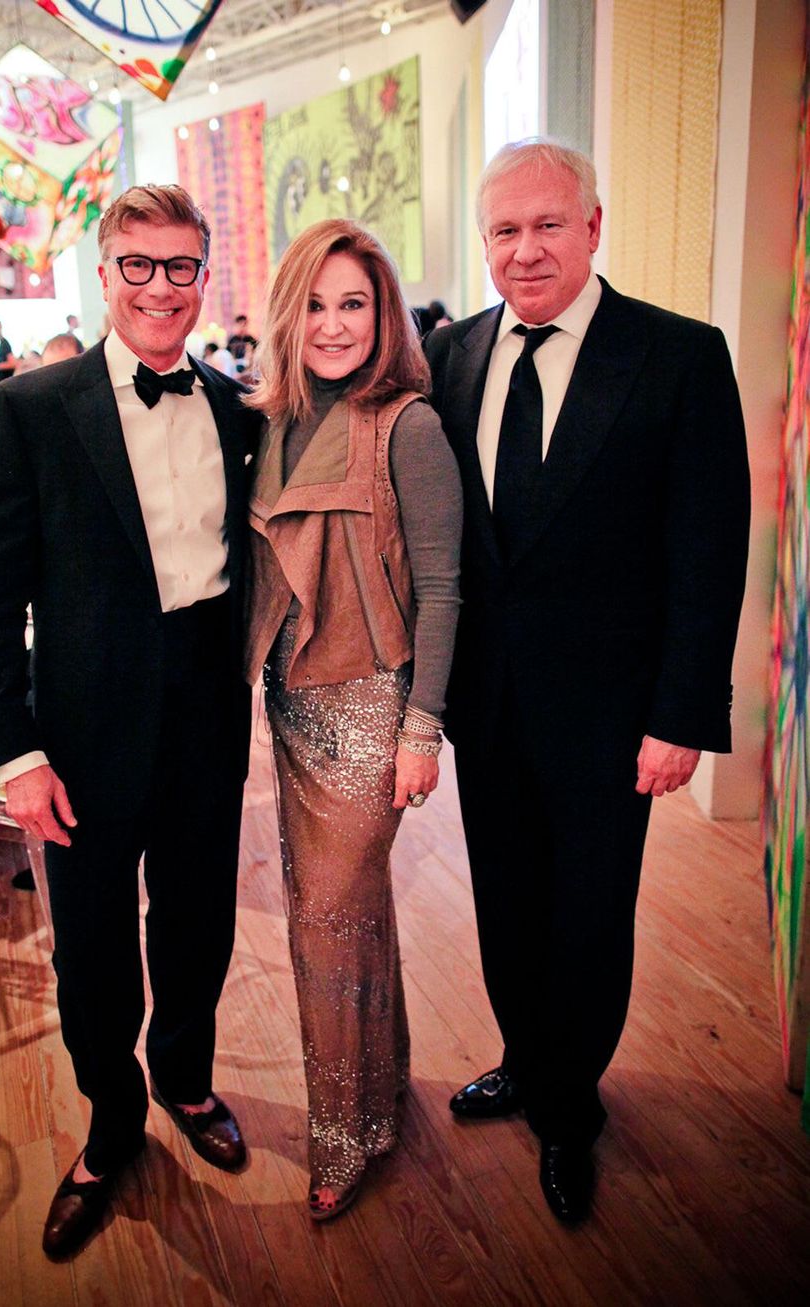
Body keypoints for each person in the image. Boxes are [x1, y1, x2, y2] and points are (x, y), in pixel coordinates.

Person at [425, 139, 750, 1224]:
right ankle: (523, 1055)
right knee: (506, 901)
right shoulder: (451, 353)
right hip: (487, 703)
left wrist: (679, 714)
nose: (524, 250)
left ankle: (570, 1105)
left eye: (546, 225)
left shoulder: (676, 357)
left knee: (588, 914)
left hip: (612, 718)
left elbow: (708, 553)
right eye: (503, 231)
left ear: (592, 224)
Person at [0, 183, 260, 1260]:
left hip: (205, 712)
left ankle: (182, 1076)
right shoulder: (34, 408)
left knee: (196, 919)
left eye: (180, 265)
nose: (160, 287)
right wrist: (14, 753)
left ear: (201, 274)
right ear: (104, 273)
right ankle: (111, 1119)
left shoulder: (236, 411)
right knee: (90, 946)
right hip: (78, 727)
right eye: (138, 264)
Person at [244, 219, 462, 1220]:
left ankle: (341, 1136)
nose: (334, 324)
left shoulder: (405, 422)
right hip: (290, 700)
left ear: (383, 314)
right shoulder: (275, 420)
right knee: (340, 913)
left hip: (369, 707)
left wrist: (421, 729)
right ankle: (379, 1092)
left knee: (329, 917)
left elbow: (443, 585)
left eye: (354, 303)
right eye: (316, 303)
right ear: (289, 315)